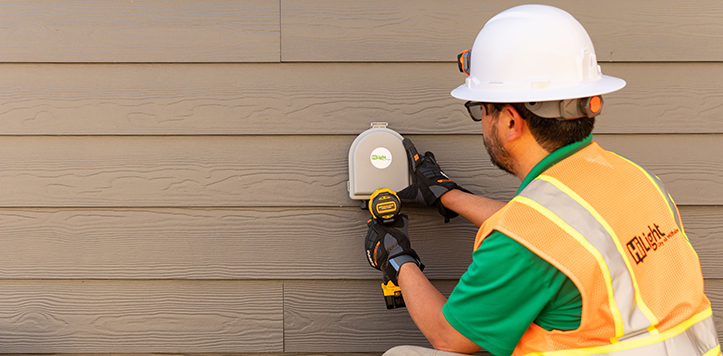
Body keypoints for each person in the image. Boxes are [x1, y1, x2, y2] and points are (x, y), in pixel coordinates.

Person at [363, 4, 721, 356]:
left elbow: (449, 337)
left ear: (510, 122)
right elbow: (566, 236)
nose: (483, 122)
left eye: (481, 110)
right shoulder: (638, 180)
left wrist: (396, 256)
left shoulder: (528, 240)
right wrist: (447, 194)